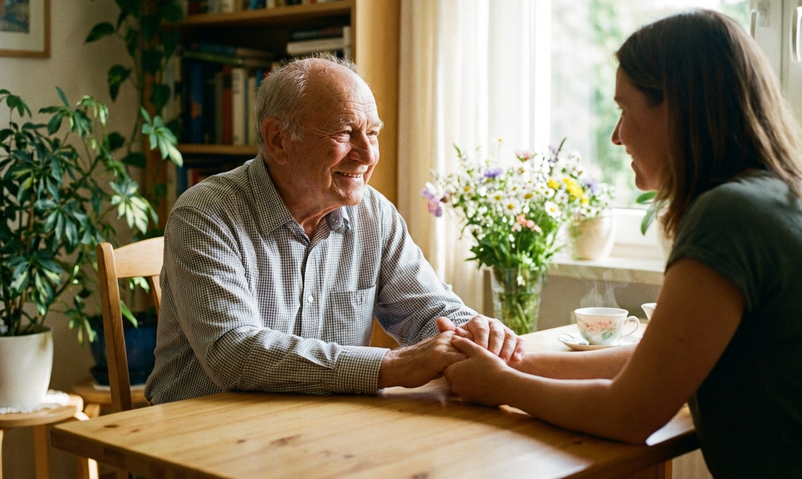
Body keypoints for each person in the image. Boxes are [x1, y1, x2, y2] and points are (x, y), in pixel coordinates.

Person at [443, 9, 802, 477]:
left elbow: (629, 414)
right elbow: (657, 364)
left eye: (625, 110)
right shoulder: (791, 197)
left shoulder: (730, 215)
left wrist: (504, 387)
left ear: (678, 109)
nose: (616, 136)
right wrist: (518, 362)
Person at [145, 55, 523, 404]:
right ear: (278, 139)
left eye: (372, 133)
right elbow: (233, 352)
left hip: (324, 425)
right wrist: (391, 366)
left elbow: (427, 310)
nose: (368, 155)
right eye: (344, 133)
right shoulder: (206, 214)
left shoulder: (374, 213)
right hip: (202, 433)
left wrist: (473, 332)